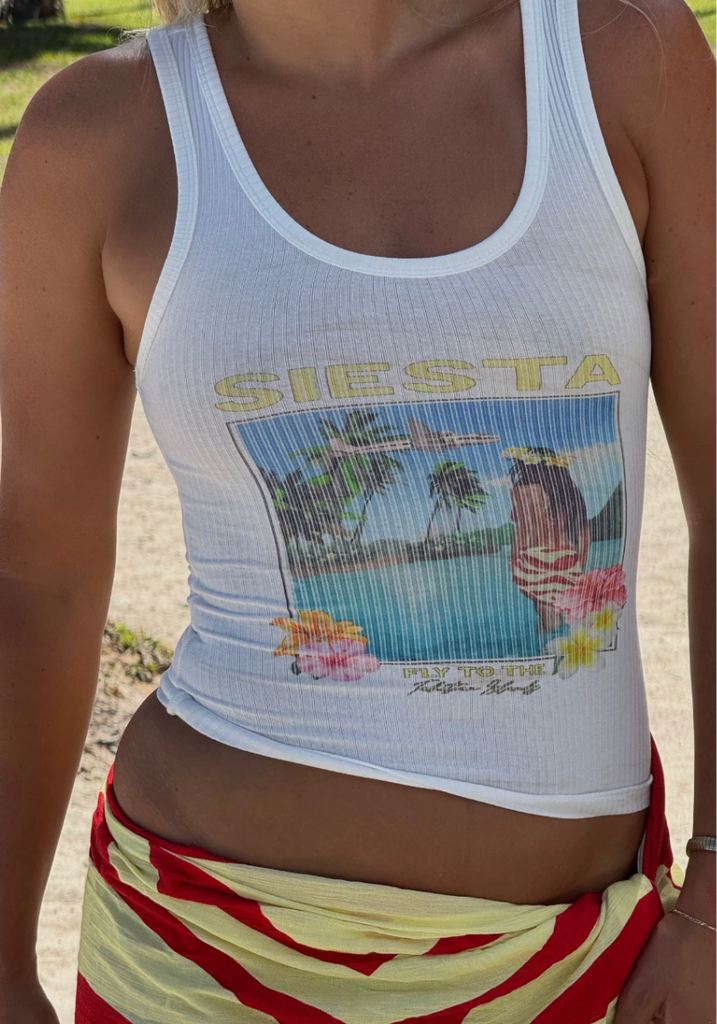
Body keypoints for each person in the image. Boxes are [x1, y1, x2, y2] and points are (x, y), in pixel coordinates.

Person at [0, 0, 714, 1020]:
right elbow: (38, 580)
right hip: (194, 956)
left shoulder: (621, 56)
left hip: (570, 966)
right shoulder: (99, 134)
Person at [506, 446, 590, 633]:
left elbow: (521, 532)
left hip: (535, 560)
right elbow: (584, 534)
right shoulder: (569, 494)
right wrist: (578, 566)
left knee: (546, 613)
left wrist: (515, 565)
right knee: (549, 612)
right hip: (567, 559)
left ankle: (548, 640)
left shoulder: (522, 491)